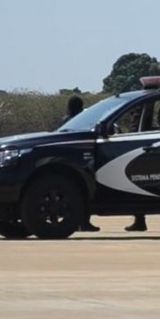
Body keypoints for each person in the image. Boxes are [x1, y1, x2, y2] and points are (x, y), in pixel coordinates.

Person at [60, 96, 100, 233]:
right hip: (82, 159)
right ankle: (84, 223)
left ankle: (77, 222)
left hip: (66, 160)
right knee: (85, 191)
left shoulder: (66, 120)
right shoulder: (84, 119)